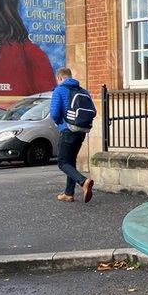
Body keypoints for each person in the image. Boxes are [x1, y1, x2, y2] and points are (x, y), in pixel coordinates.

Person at [50, 67, 94, 203]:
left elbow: (54, 113)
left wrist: (59, 124)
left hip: (67, 130)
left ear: (60, 78)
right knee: (71, 161)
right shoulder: (83, 91)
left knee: (62, 163)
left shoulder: (59, 90)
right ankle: (69, 194)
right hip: (81, 131)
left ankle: (83, 181)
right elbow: (93, 111)